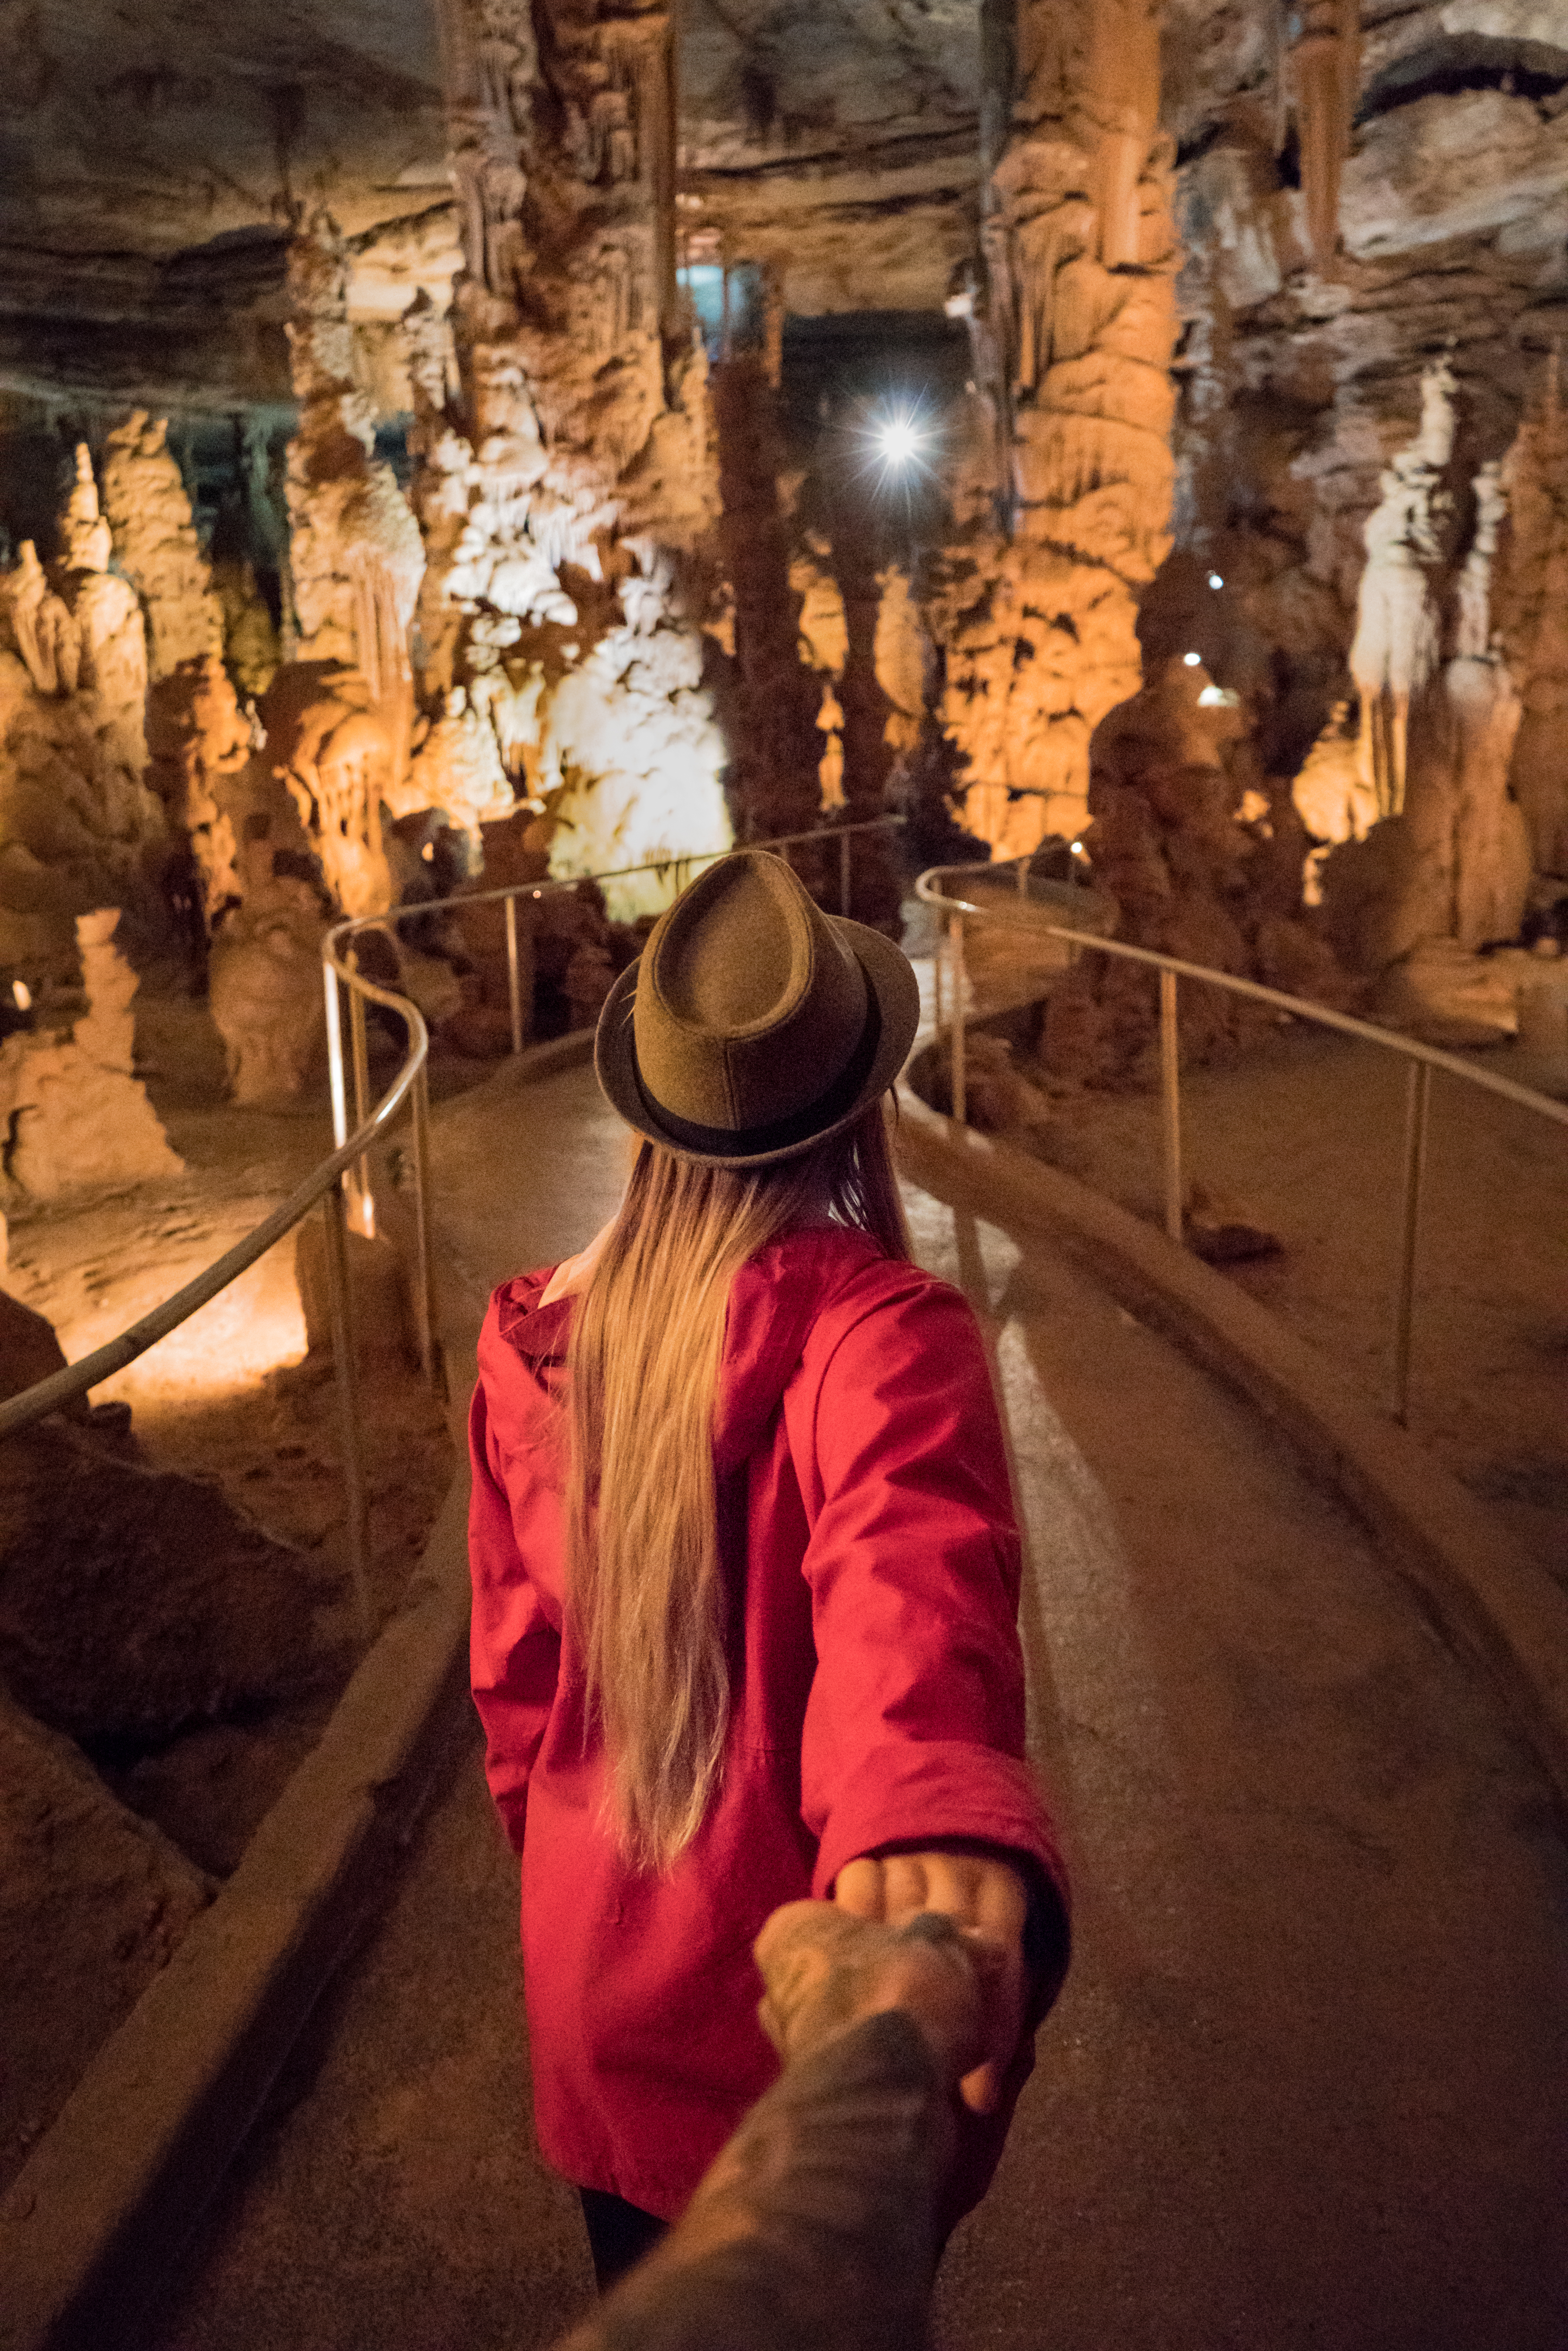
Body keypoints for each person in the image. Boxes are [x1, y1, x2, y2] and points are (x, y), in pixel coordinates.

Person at [467, 848, 1070, 2295]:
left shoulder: (533, 1339)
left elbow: (512, 1686)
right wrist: (922, 1801)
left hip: (597, 1982)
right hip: (792, 2015)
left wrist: (570, 1885)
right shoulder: (882, 1336)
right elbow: (909, 1580)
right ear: (858, 1106)